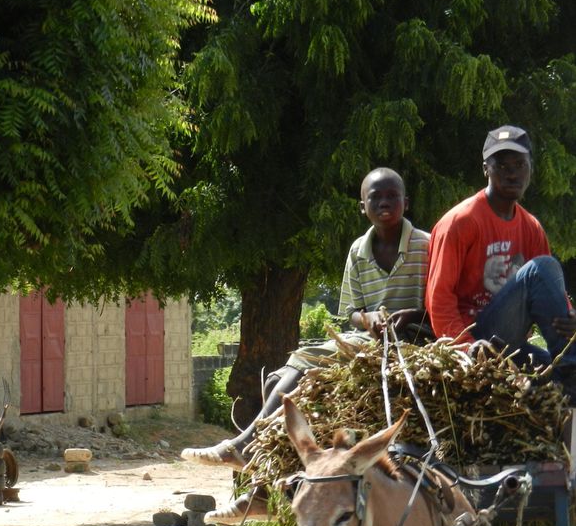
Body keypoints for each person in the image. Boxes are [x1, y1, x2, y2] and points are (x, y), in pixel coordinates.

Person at [182, 167, 430, 468]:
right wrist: (368, 320)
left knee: (303, 367)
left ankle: (244, 445)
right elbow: (352, 311)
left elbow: (439, 300)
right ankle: (249, 444)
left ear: (407, 201)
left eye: (393, 196)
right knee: (298, 361)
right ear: (362, 206)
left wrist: (414, 314)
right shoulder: (357, 251)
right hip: (368, 338)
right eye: (375, 197)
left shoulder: (426, 245)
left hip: (415, 338)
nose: (385, 203)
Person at [425, 125, 576, 388]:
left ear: (530, 168)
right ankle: (573, 366)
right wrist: (465, 349)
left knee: (551, 375)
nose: (512, 174)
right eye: (502, 166)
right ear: (486, 169)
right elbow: (438, 298)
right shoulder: (461, 221)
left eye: (520, 164)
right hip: (475, 337)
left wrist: (570, 317)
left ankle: (569, 371)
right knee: (542, 268)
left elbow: (551, 294)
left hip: (510, 342)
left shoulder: (531, 227)